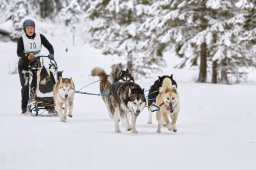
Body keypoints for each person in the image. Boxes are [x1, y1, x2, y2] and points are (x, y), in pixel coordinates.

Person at [17, 19, 54, 115]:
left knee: (47, 81)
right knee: (26, 86)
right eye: (28, 28)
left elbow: (49, 46)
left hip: (37, 63)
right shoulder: (21, 39)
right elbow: (19, 52)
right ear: (24, 29)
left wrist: (51, 53)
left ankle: (50, 107)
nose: (30, 30)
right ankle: (25, 109)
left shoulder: (40, 37)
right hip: (24, 65)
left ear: (34, 28)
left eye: (31, 27)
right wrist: (28, 56)